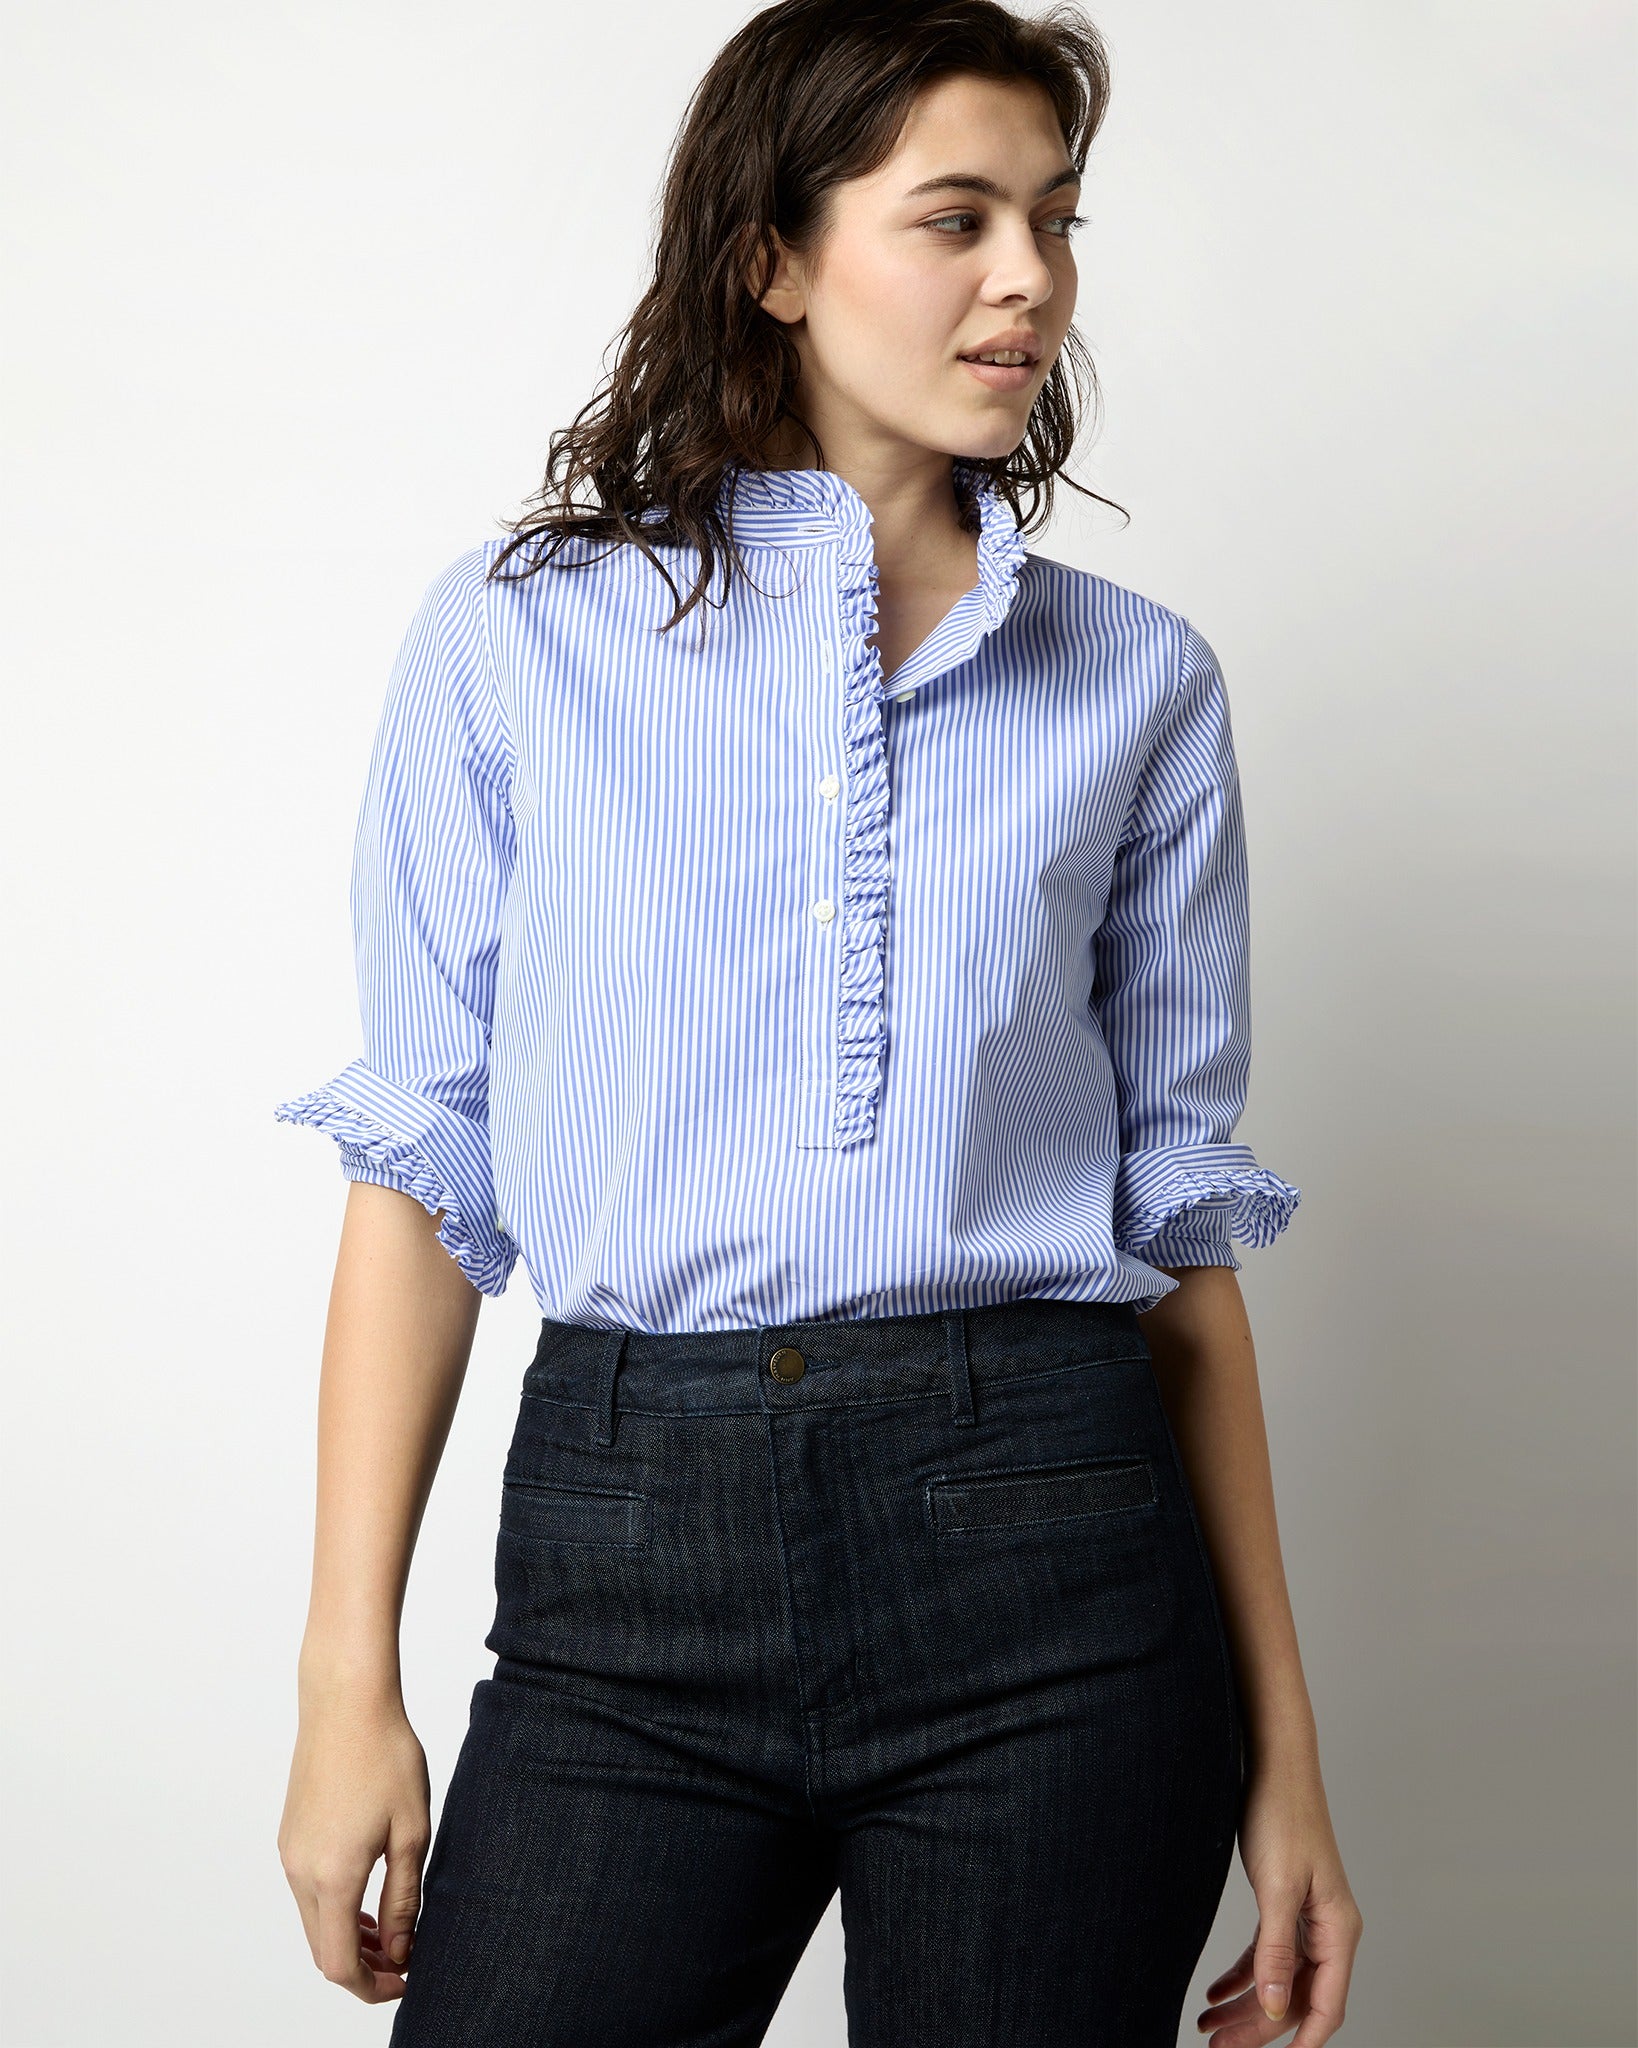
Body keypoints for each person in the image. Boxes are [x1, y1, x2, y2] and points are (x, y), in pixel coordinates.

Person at [274, 2, 1364, 2041]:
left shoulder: (1135, 688)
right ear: (769, 256)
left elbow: (1185, 1261)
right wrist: (351, 1687)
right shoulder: (517, 640)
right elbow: (420, 1178)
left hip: (1052, 1551)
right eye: (954, 217)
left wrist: (1288, 1761)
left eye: (1053, 218)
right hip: (622, 1546)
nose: (1028, 275)